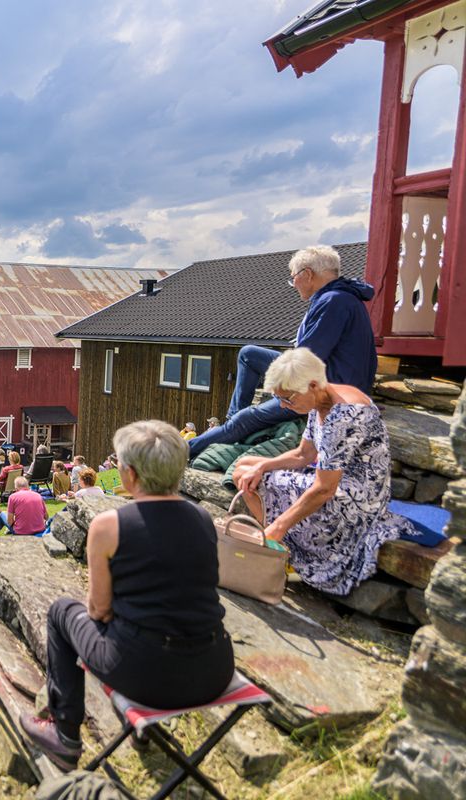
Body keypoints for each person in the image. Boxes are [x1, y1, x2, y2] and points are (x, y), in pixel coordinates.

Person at [21, 420, 233, 770]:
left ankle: (65, 734)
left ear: (129, 474)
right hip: (214, 669)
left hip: (143, 674)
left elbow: (99, 609)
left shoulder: (109, 526)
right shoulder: (202, 519)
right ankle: (131, 727)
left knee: (61, 611)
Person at [232, 348, 415, 596]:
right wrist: (262, 465)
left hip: (353, 500)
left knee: (250, 478)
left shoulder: (344, 415)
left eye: (289, 399)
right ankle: (280, 547)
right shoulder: (321, 400)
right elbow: (303, 454)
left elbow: (324, 489)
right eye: (281, 400)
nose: (285, 406)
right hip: (335, 480)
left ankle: (278, 546)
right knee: (246, 467)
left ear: (314, 384)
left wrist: (279, 526)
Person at [190, 245, 377, 459]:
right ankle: (232, 420)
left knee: (247, 418)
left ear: (307, 274)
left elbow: (305, 358)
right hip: (327, 375)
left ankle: (186, 449)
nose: (293, 284)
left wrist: (283, 390)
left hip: (327, 389)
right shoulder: (340, 297)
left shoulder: (333, 302)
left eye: (293, 278)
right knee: (249, 354)